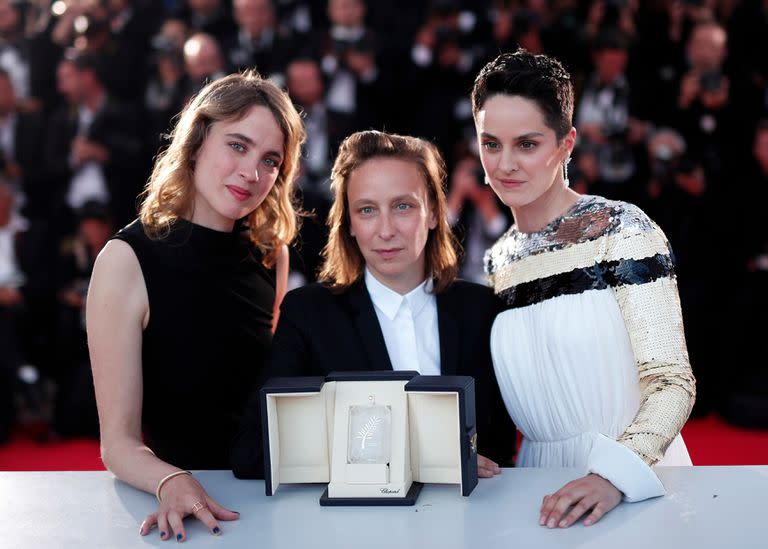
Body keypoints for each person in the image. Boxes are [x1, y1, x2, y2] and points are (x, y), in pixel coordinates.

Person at [472, 50, 695, 528]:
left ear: (566, 143)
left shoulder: (623, 229)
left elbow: (672, 380)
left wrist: (613, 475)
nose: (505, 164)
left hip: (637, 483)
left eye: (527, 144)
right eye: (491, 143)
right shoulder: (497, 262)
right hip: (537, 489)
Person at [86, 70, 304, 542]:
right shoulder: (126, 260)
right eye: (238, 145)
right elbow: (117, 444)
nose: (252, 173)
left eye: (271, 160)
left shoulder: (271, 253)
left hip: (270, 502)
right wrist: (170, 479)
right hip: (184, 513)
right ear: (196, 142)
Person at [230, 130, 516, 479]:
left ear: (433, 213)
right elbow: (252, 451)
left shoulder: (482, 310)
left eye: (402, 206)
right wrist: (409, 455)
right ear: (349, 223)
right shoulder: (309, 314)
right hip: (355, 529)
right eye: (367, 210)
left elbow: (502, 448)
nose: (385, 230)